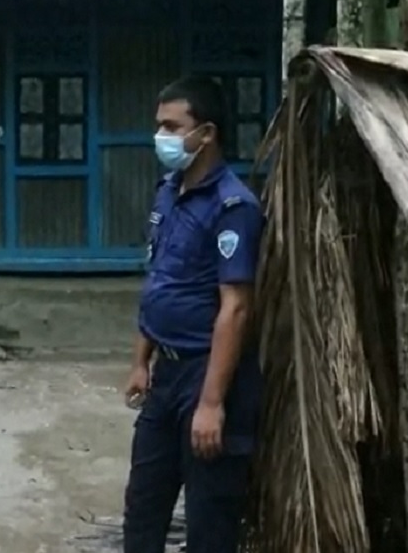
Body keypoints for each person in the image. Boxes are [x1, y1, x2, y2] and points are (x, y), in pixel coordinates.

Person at [122, 76, 265, 553]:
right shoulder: (167, 192)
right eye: (158, 125)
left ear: (206, 134)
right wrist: (141, 361)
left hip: (209, 373)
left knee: (209, 522)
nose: (160, 137)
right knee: (143, 510)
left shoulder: (234, 207)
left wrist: (211, 403)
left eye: (171, 126)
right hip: (165, 375)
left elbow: (236, 308)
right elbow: (159, 280)